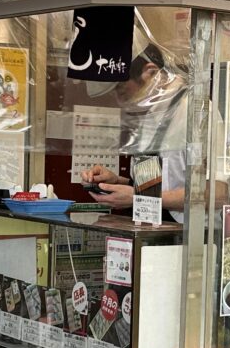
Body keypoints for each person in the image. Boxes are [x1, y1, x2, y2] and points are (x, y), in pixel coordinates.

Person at [80, 41, 196, 221]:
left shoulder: (194, 112)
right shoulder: (149, 115)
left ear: (151, 73)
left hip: (190, 240)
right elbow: (155, 187)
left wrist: (136, 197)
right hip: (154, 236)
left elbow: (220, 192)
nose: (119, 100)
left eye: (120, 89)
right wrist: (116, 182)